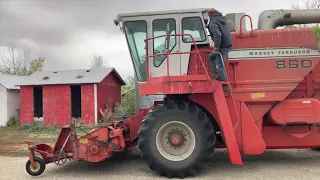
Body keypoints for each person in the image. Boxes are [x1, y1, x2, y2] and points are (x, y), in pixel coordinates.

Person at [207, 8, 232, 82]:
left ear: (209, 14)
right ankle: (216, 74)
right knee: (212, 57)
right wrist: (208, 26)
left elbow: (217, 34)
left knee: (219, 65)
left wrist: (216, 48)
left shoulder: (213, 23)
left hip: (222, 46)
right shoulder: (221, 19)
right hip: (227, 43)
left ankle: (223, 82)